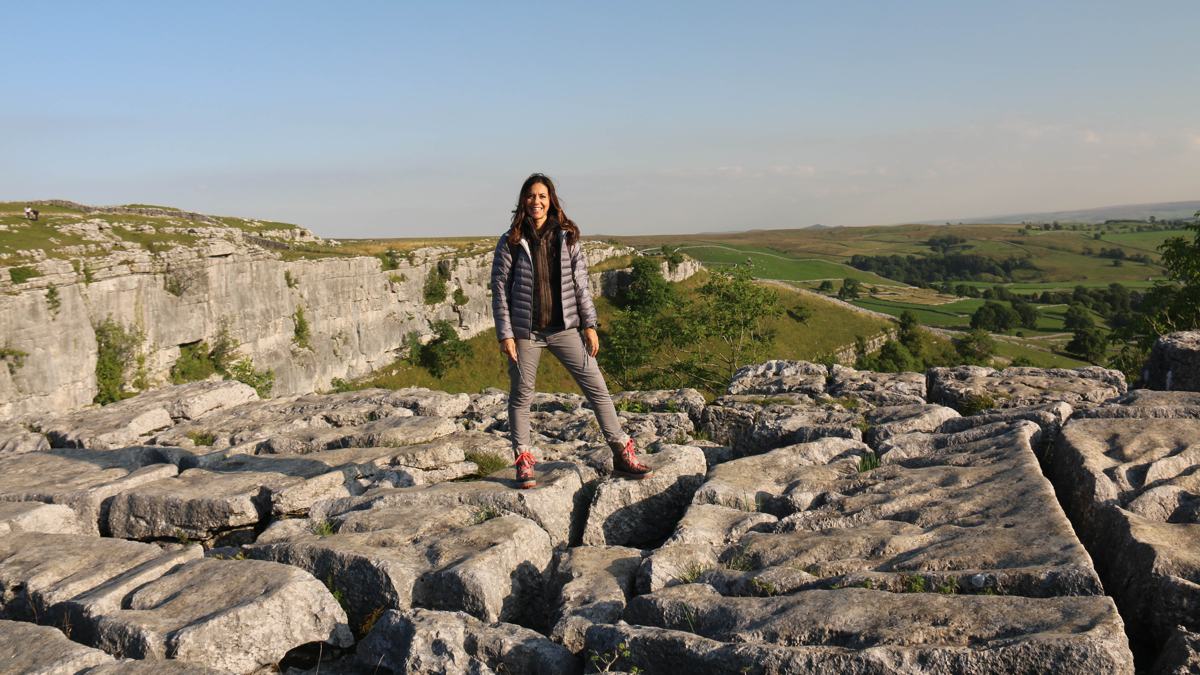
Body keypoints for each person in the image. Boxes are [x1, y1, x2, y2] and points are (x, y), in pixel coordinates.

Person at [491, 173, 652, 489]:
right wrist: (505, 334)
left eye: (542, 196)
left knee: (596, 387)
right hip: (527, 332)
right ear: (523, 201)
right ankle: (523, 462)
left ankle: (621, 452)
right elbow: (499, 288)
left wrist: (590, 325)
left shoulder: (567, 237)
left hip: (564, 328)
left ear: (550, 200)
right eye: (530, 196)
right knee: (522, 395)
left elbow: (581, 284)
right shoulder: (510, 240)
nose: (536, 202)